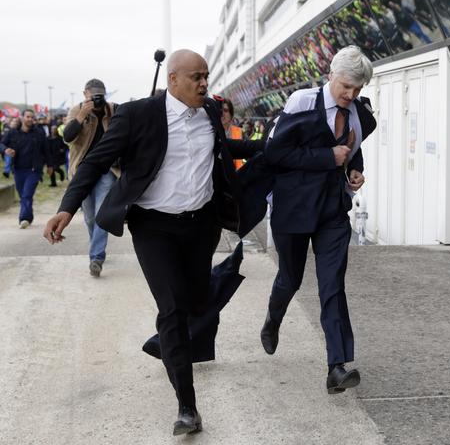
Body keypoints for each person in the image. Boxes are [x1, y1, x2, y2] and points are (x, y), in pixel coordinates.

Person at [44, 49, 262, 436]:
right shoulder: (138, 114)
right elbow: (94, 161)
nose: (204, 84)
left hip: (200, 226)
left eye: (206, 76)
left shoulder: (210, 112)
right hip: (154, 228)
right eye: (196, 77)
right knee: (173, 308)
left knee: (196, 301)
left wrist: (271, 147)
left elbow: (224, 150)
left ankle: (168, 337)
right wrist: (66, 208)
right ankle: (187, 407)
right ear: (172, 80)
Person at [260, 45, 377, 394]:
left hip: (332, 210)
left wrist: (355, 171)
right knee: (290, 278)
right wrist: (327, 156)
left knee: (332, 285)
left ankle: (337, 366)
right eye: (346, 86)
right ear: (330, 76)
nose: (351, 95)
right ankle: (273, 318)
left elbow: (354, 152)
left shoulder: (358, 113)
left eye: (357, 89)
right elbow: (275, 152)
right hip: (293, 207)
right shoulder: (300, 101)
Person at [64, 79, 120, 277]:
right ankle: (96, 246)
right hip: (83, 171)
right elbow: (67, 137)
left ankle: (96, 257)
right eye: (93, 95)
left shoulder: (112, 110)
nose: (97, 99)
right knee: (89, 217)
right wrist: (81, 116)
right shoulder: (76, 110)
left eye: (101, 95)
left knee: (100, 215)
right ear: (85, 94)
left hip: (107, 170)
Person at [0, 109, 52, 228]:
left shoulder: (39, 133)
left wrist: (50, 165)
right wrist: (5, 150)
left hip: (34, 170)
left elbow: (46, 150)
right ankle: (29, 215)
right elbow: (2, 144)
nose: (30, 119)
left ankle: (24, 218)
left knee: (27, 194)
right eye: (28, 117)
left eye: (32, 117)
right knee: (23, 194)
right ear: (22, 117)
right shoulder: (13, 132)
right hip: (18, 169)